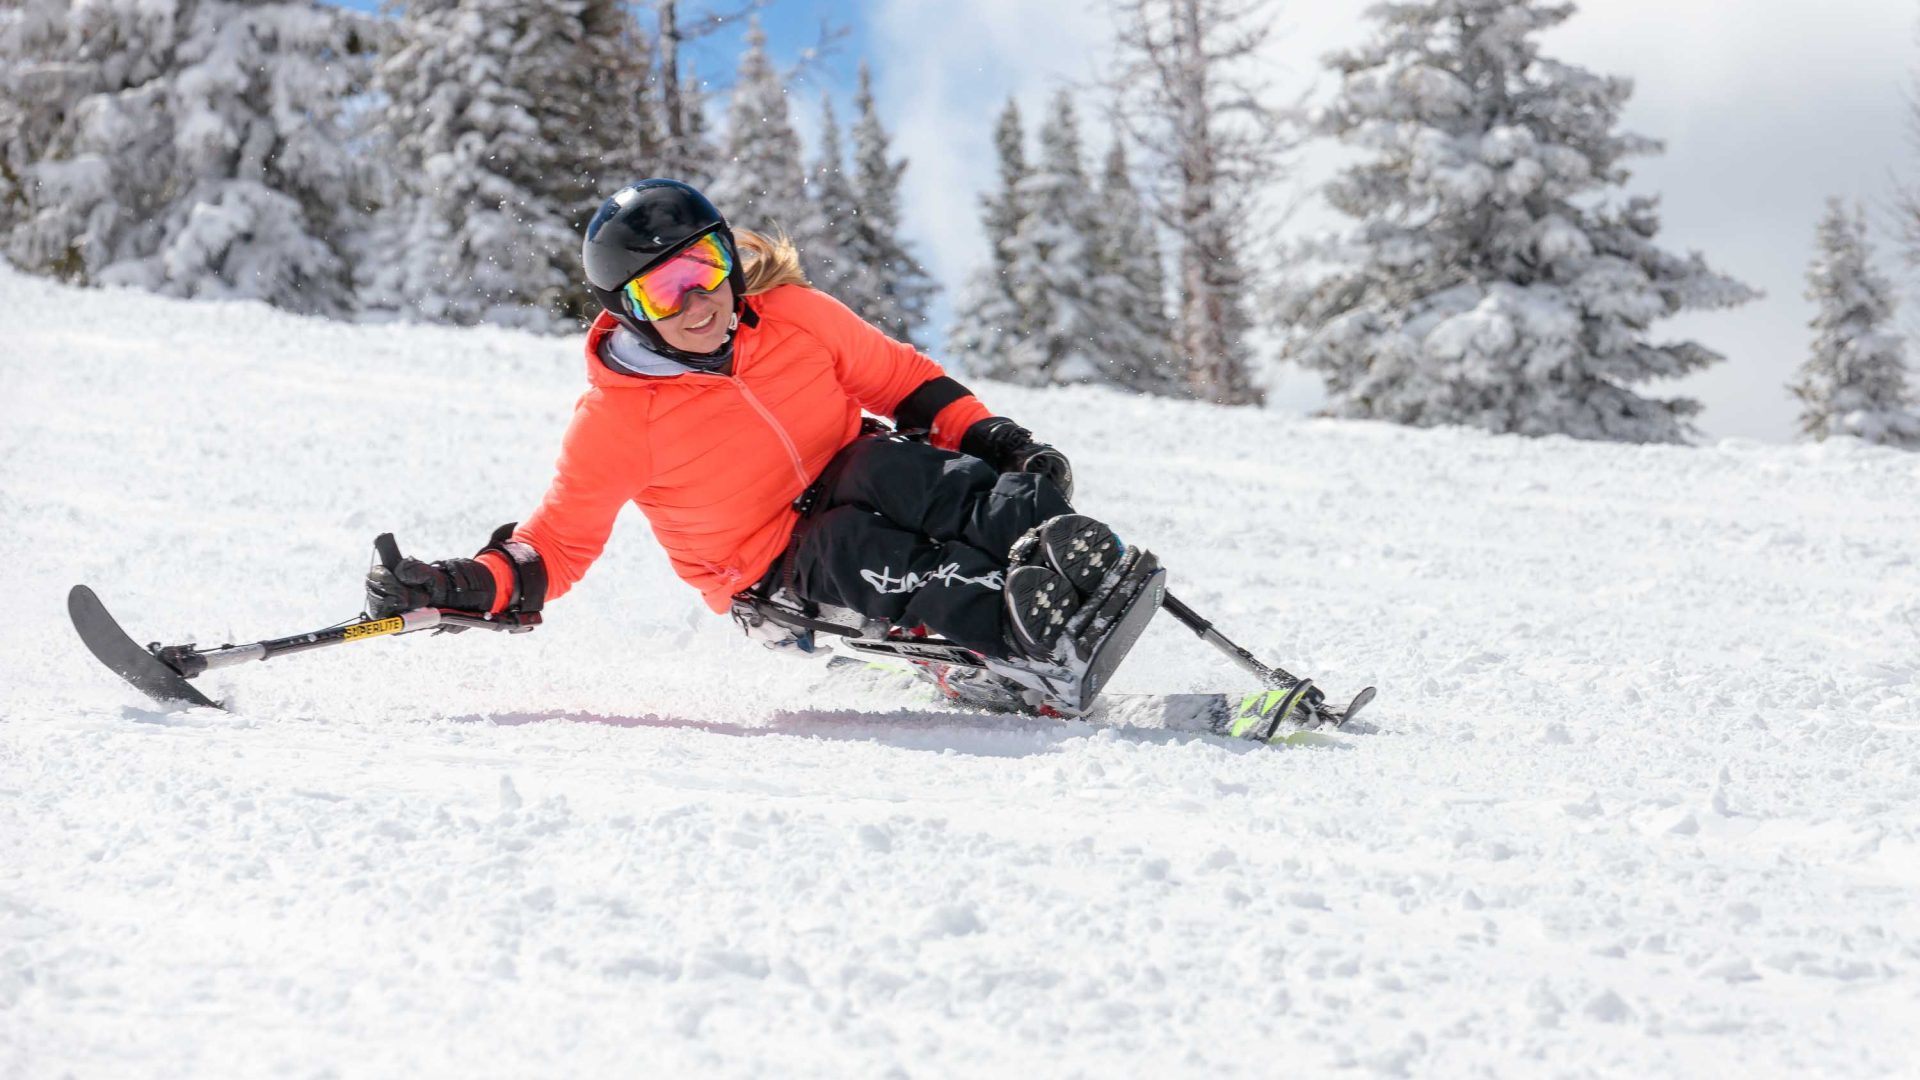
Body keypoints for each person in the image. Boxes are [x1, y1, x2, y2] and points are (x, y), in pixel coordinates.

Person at [365, 178, 1125, 668]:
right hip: (772, 577)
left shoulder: (793, 318)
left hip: (857, 478)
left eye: (705, 270)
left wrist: (1000, 441)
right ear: (629, 310)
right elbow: (558, 546)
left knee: (900, 467)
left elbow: (902, 381)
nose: (699, 304)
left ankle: (1052, 542)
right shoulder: (616, 421)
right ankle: (1011, 614)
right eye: (666, 293)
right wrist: (458, 584)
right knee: (849, 545)